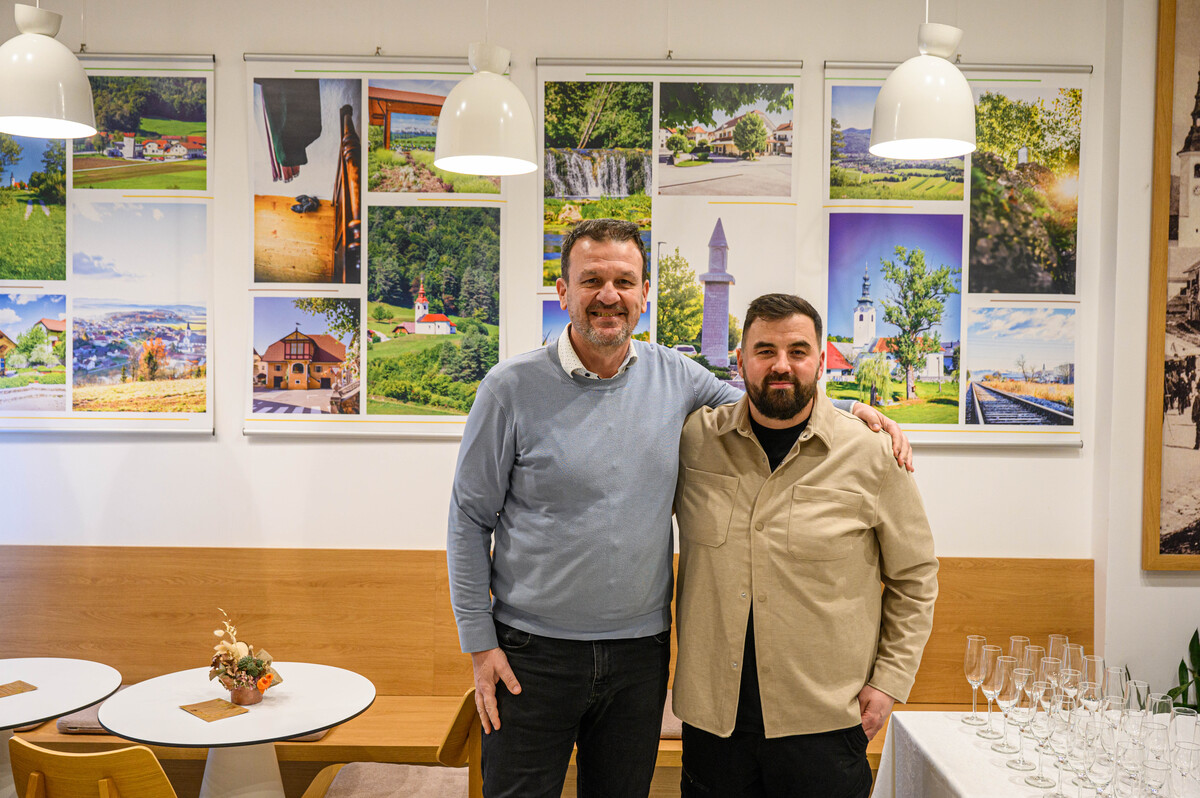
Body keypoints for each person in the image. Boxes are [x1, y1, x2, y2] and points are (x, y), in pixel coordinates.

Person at [446, 221, 912, 798]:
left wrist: (850, 411)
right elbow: (469, 518)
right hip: (529, 655)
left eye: (624, 281)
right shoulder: (508, 388)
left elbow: (768, 403)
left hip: (639, 657)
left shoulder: (679, 378)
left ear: (644, 294)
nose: (609, 295)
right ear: (563, 292)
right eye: (591, 280)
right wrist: (480, 643)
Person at [672, 293, 939, 798]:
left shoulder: (871, 453)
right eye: (765, 350)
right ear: (740, 361)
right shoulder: (694, 441)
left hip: (825, 724)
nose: (781, 365)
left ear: (820, 361)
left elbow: (915, 578)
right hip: (714, 724)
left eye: (798, 351)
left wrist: (889, 681)